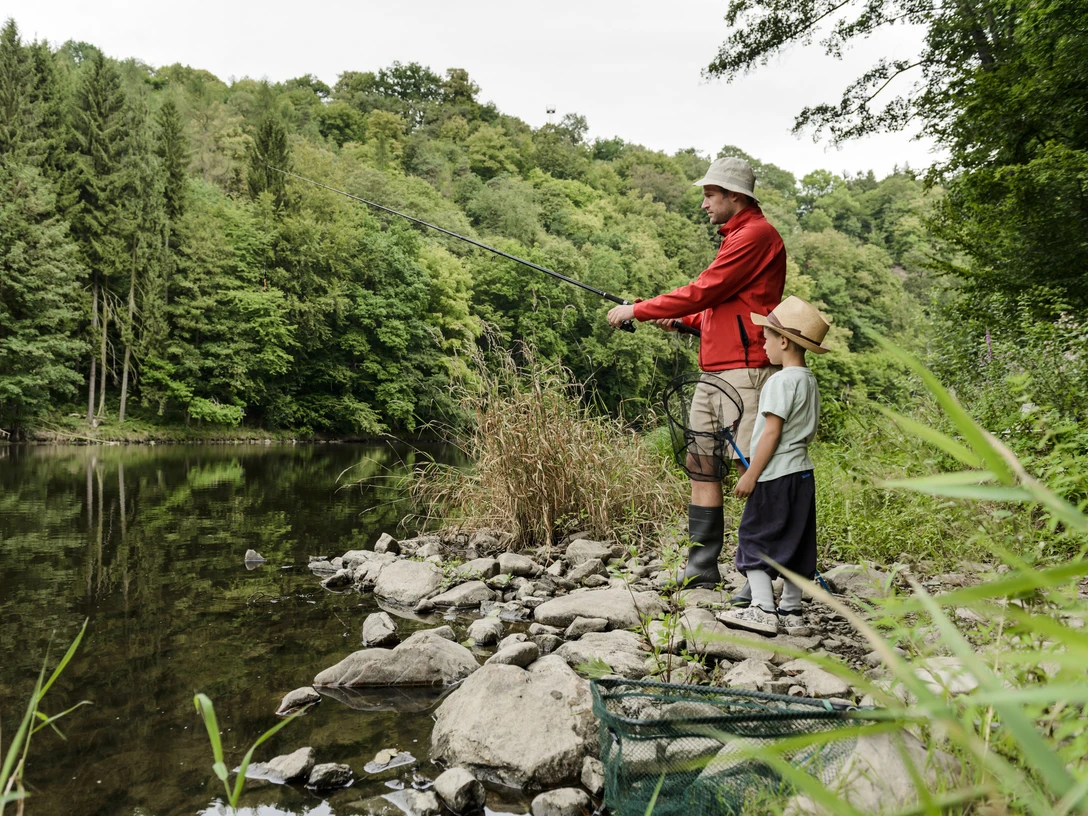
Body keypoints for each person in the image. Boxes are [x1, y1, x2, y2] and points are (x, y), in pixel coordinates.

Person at [607, 156, 786, 590]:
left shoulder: (756, 235)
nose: (704, 203)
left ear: (735, 197)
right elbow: (722, 308)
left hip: (746, 372)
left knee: (751, 470)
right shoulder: (735, 237)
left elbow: (705, 290)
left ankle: (758, 576)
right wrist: (684, 321)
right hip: (715, 372)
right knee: (701, 465)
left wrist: (638, 309)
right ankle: (701, 568)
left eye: (710, 194)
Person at [716, 296, 829, 636]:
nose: (763, 344)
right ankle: (792, 611)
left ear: (784, 340)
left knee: (754, 539)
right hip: (802, 475)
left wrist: (752, 474)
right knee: (796, 541)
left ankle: (763, 608)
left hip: (775, 476)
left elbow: (772, 433)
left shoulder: (779, 382)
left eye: (766, 337)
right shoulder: (809, 380)